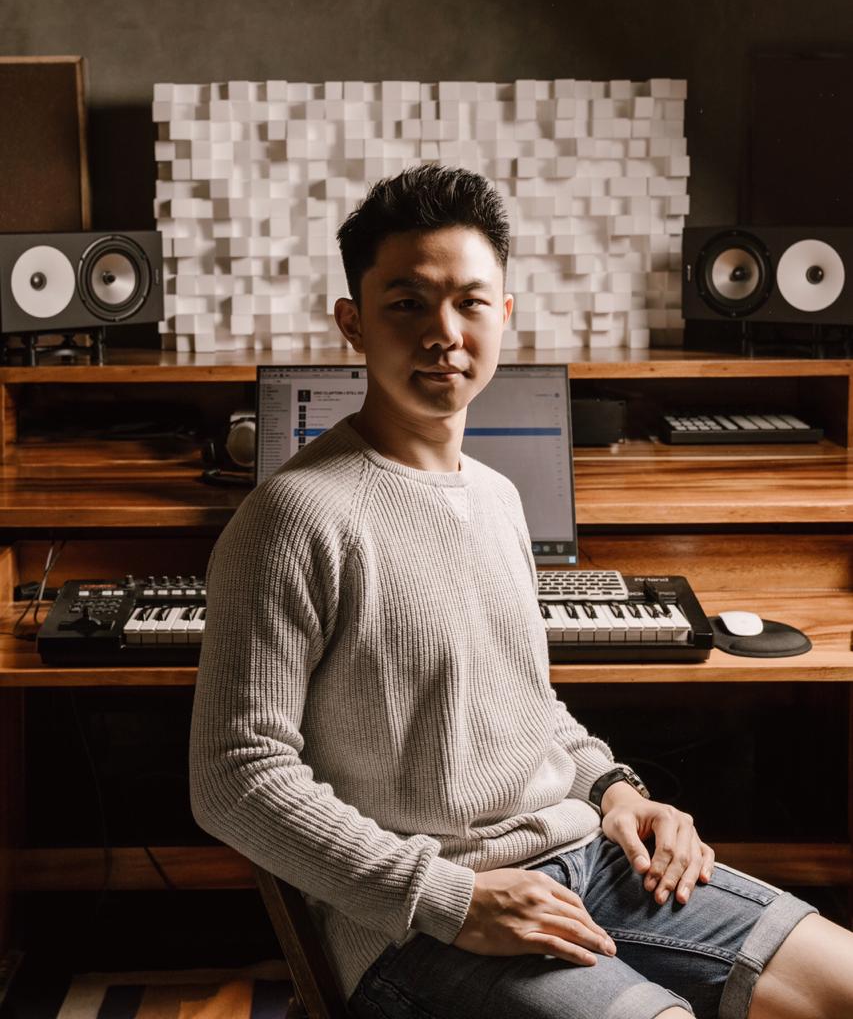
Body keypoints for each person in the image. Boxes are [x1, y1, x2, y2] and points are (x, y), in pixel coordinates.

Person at [189, 163, 853, 1019]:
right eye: (406, 303)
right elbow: (234, 776)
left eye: (468, 302)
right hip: (419, 920)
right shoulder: (291, 515)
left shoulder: (498, 497)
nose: (443, 333)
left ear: (502, 315)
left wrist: (618, 792)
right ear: (352, 323)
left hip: (588, 861)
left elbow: (528, 709)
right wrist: (451, 899)